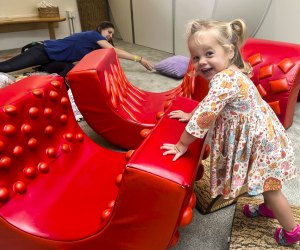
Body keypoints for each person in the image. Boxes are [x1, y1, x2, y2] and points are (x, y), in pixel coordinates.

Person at [161, 19, 299, 245]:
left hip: (262, 144)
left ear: (229, 52)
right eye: (196, 57)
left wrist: (181, 145)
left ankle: (292, 231)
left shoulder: (225, 79)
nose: (202, 62)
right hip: (263, 137)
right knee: (265, 183)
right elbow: (212, 103)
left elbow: (206, 115)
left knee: (272, 188)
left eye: (209, 54)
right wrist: (191, 113)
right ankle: (268, 208)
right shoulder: (231, 72)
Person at [0, 21, 154, 79]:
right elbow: (115, 51)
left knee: (69, 71)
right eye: (109, 32)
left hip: (53, 60)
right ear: (100, 29)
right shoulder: (93, 35)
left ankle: (51, 85)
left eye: (112, 34)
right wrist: (139, 59)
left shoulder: (96, 45)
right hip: (43, 51)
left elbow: (108, 57)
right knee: (7, 67)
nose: (110, 36)